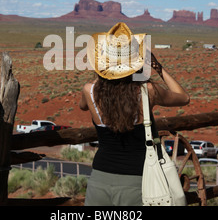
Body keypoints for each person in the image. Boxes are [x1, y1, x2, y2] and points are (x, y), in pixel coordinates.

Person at [79, 22, 190, 206]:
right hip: (137, 183)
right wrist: (157, 66)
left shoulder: (89, 91)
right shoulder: (148, 91)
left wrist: (102, 71)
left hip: (99, 179)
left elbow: (83, 106)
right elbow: (184, 97)